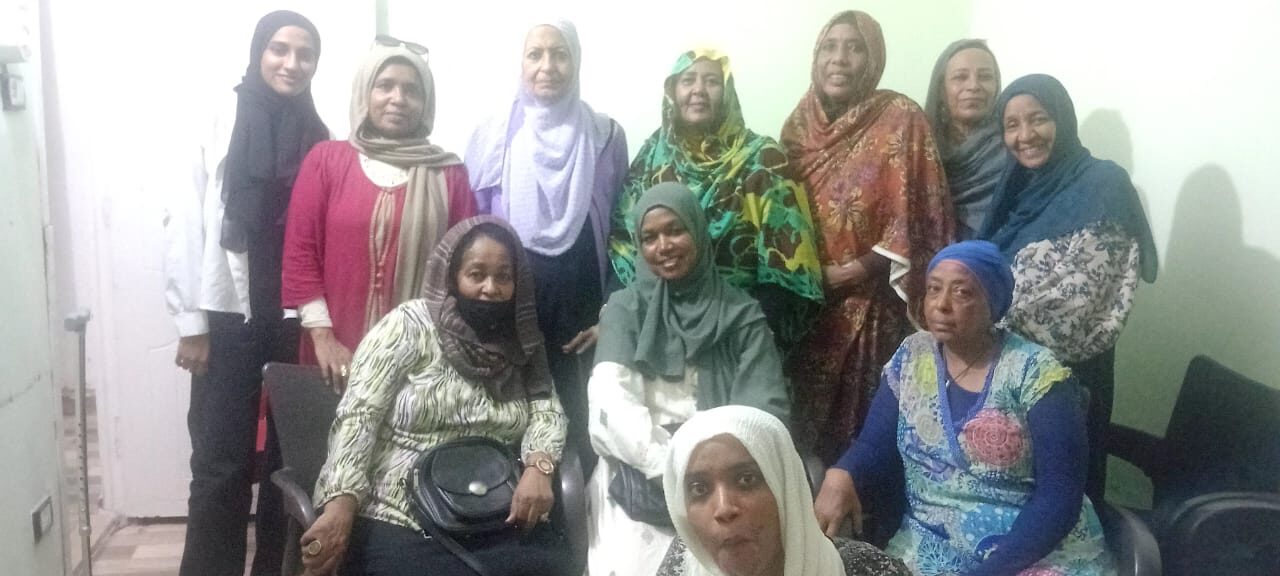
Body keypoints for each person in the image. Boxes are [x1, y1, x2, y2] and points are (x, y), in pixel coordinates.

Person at [815, 240, 1117, 575]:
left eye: (962, 293)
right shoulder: (912, 356)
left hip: (1032, 551)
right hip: (931, 545)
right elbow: (874, 444)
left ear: (993, 304)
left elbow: (1059, 498)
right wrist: (842, 473)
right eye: (934, 289)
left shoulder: (1036, 373)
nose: (942, 305)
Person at [298, 216, 570, 576]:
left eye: (503, 277)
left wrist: (539, 466)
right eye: (476, 274)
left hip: (496, 508)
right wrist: (340, 506)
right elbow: (359, 415)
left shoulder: (522, 340)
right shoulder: (409, 325)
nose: (490, 288)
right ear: (452, 276)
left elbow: (548, 410)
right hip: (400, 510)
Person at [163, 10, 327, 575]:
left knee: (291, 463)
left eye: (305, 54)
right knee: (220, 463)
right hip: (227, 315)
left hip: (292, 317)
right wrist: (191, 323)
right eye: (280, 49)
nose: (292, 63)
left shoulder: (318, 134)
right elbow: (184, 219)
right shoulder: (220, 119)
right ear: (259, 52)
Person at [589, 183, 791, 576]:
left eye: (675, 230)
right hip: (639, 479)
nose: (663, 246)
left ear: (698, 231)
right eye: (650, 238)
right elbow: (611, 409)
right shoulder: (624, 310)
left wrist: (711, 474)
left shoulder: (740, 313)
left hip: (728, 478)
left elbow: (763, 412)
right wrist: (673, 470)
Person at [781, 10, 953, 464]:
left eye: (855, 47)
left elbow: (918, 216)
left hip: (872, 307)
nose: (839, 58)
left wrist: (847, 273)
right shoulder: (797, 127)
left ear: (873, 58)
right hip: (805, 307)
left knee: (859, 440)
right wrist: (804, 276)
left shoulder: (900, 117)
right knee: (796, 439)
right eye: (829, 47)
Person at [979, 74, 1158, 500]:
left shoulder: (1104, 186)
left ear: (1062, 119)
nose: (1025, 135)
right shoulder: (1017, 188)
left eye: (1038, 119)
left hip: (1063, 385)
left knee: (1056, 507)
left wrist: (975, 325)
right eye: (1011, 125)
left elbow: (1077, 306)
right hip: (997, 376)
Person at [465, 19, 628, 464]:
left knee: (581, 421)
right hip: (508, 307)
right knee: (508, 419)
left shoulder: (606, 136)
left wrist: (613, 311)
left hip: (582, 312)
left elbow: (623, 233)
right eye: (535, 54)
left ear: (577, 62)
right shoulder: (491, 135)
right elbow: (470, 230)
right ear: (520, 63)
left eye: (560, 54)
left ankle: (577, 505)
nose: (547, 66)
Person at [282, 37, 476, 391]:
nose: (397, 98)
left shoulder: (449, 175)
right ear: (365, 93)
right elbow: (300, 255)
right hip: (332, 358)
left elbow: (464, 270)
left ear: (426, 102)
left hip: (418, 362)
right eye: (385, 86)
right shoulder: (326, 160)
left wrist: (438, 350)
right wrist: (323, 338)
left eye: (411, 90)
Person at [607, 48, 824, 350]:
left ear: (727, 92)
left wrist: (747, 333)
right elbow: (624, 243)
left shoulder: (762, 160)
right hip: (655, 328)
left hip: (738, 329)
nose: (698, 90)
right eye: (688, 80)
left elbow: (786, 268)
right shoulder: (652, 156)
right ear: (673, 91)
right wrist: (619, 317)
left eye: (711, 81)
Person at [657, 405, 911, 576]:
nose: (723, 508)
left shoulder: (871, 570)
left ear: (786, 487)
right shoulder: (682, 565)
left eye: (746, 480)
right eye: (699, 489)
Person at [924, 39, 1007, 239]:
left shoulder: (1014, 151)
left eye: (985, 77)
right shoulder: (922, 152)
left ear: (997, 87)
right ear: (941, 89)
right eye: (960, 77)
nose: (973, 86)